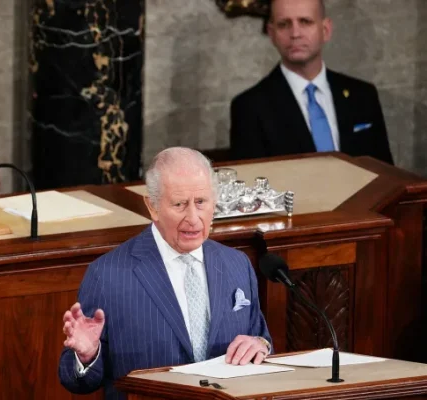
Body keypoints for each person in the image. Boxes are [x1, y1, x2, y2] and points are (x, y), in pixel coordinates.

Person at [58, 147, 272, 399]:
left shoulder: (237, 264)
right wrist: (87, 356)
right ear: (153, 206)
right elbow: (75, 380)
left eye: (201, 202)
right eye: (179, 204)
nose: (193, 217)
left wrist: (260, 345)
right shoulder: (108, 275)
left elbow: (260, 337)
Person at [229, 0, 394, 165]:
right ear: (272, 34)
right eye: (284, 24)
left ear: (325, 30)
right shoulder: (249, 108)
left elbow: (386, 172)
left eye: (305, 22)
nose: (295, 34)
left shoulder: (363, 95)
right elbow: (253, 180)